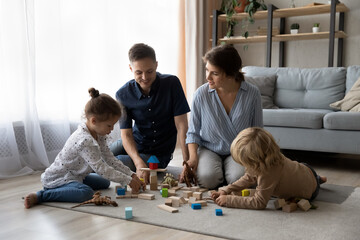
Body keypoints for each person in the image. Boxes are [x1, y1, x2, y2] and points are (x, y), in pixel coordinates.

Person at [24, 88, 145, 209]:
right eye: (109, 125)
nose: (112, 129)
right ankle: (41, 195)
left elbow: (110, 159)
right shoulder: (85, 140)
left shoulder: (99, 134)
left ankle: (72, 186)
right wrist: (127, 180)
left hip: (77, 174)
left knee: (105, 182)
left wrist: (131, 175)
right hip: (60, 178)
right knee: (86, 193)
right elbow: (100, 168)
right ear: (94, 121)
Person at [183, 44, 263, 189]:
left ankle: (228, 175)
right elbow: (193, 132)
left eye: (214, 73)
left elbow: (257, 132)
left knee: (238, 179)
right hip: (209, 148)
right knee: (208, 179)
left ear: (230, 74)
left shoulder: (252, 94)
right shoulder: (201, 94)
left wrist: (255, 162)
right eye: (207, 70)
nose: (207, 77)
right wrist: (193, 158)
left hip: (239, 151)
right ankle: (220, 175)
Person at [111, 43, 190, 184]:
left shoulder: (172, 84)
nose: (145, 77)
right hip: (134, 141)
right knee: (98, 154)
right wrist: (138, 162)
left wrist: (186, 162)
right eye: (138, 72)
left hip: (158, 154)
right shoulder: (122, 94)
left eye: (149, 71)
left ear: (156, 65)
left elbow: (182, 127)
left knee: (115, 163)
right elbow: (126, 134)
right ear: (131, 68)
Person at [211, 127, 327, 210]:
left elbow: (259, 202)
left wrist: (229, 200)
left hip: (309, 192)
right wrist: (226, 190)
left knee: (312, 181)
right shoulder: (270, 157)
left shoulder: (268, 173)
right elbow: (249, 177)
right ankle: (318, 179)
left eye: (245, 163)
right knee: (303, 172)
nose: (244, 167)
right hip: (305, 169)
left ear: (256, 162)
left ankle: (317, 181)